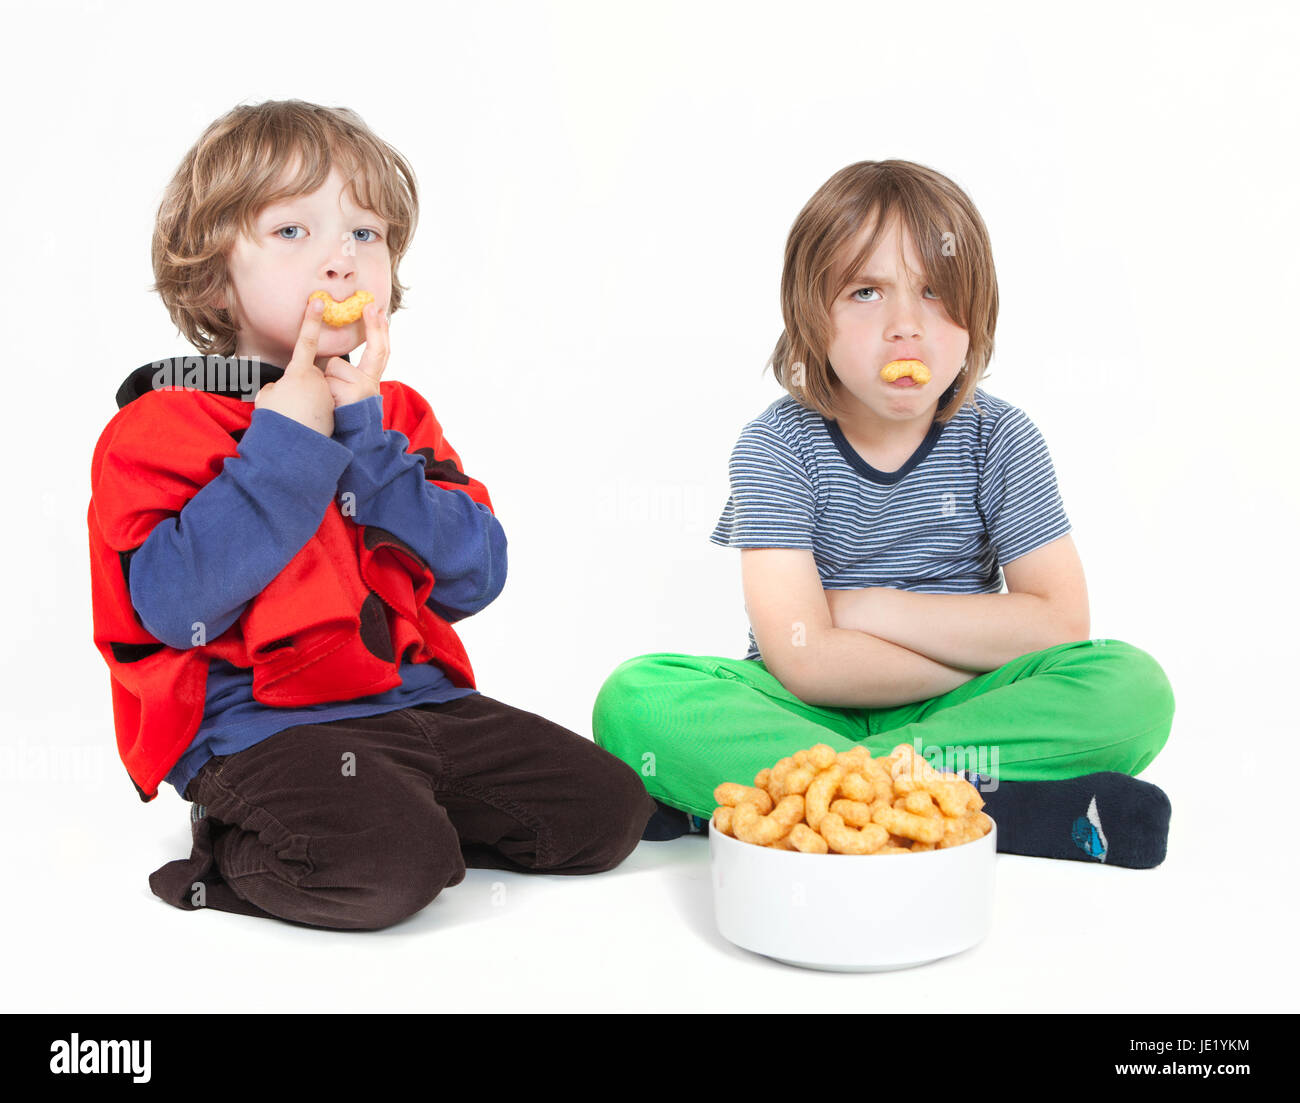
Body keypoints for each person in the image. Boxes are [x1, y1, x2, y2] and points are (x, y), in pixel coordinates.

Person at [88, 99, 654, 930]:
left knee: (609, 811)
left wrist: (368, 445)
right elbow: (178, 607)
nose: (341, 261)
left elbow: (473, 574)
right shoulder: (160, 424)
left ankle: (406, 810)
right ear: (215, 278)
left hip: (416, 705)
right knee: (393, 871)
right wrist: (287, 437)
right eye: (293, 233)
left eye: (366, 234)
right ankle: (241, 843)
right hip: (259, 731)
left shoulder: (395, 416)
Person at [592, 160, 1174, 869]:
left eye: (935, 293)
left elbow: (1059, 625)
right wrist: (967, 654)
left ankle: (801, 796)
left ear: (975, 315)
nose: (906, 327)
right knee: (636, 700)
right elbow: (805, 661)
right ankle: (987, 807)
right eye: (867, 292)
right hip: (804, 713)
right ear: (814, 313)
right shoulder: (777, 444)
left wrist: (867, 608)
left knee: (1132, 685)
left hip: (962, 717)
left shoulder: (1001, 437)